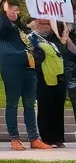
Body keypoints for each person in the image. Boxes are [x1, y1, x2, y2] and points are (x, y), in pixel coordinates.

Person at [0, 0, 49, 150]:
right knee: (12, 104)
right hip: (11, 68)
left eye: (17, 10)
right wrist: (5, 13)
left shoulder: (22, 28)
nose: (15, 12)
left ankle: (34, 138)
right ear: (4, 9)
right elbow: (1, 32)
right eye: (11, 9)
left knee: (30, 104)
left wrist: (38, 54)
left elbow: (34, 43)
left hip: (29, 69)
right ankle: (15, 139)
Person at [32, 19, 67, 148]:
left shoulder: (54, 38)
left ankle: (57, 137)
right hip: (43, 77)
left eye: (48, 24)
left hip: (58, 76)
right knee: (45, 108)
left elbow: (61, 51)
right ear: (35, 24)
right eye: (43, 24)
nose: (46, 26)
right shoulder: (32, 38)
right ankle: (46, 138)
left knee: (58, 107)